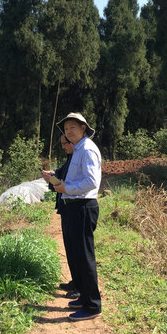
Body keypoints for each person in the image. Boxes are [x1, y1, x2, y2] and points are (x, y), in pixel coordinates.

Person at [52, 112, 102, 321]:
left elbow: (91, 182)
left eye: (73, 127)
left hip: (82, 206)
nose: (69, 131)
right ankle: (83, 297)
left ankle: (92, 306)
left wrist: (66, 187)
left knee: (85, 257)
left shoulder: (88, 149)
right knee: (77, 255)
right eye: (66, 128)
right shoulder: (78, 150)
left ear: (83, 128)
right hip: (74, 205)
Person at [42, 135, 78, 299]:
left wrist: (55, 178)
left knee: (78, 250)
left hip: (76, 207)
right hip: (66, 206)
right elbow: (61, 174)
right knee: (70, 248)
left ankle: (80, 287)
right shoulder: (70, 158)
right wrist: (52, 175)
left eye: (65, 143)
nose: (63, 147)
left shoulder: (79, 157)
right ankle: (75, 281)